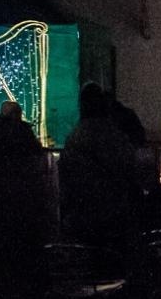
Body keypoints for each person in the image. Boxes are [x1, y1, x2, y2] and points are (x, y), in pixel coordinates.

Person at [59, 82, 143, 245]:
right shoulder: (114, 136)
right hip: (114, 214)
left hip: (83, 215)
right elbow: (128, 167)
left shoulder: (75, 138)